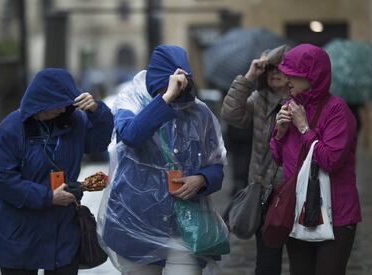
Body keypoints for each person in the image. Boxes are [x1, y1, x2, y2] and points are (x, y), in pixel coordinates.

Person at [98, 45, 227, 275]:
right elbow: (131, 136)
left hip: (183, 227)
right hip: (134, 223)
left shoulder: (199, 112)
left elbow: (216, 166)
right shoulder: (130, 102)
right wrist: (165, 98)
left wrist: (202, 179)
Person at [0, 68, 114, 275]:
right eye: (58, 105)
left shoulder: (75, 122)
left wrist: (97, 111)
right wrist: (47, 197)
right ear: (41, 102)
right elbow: (2, 180)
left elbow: (99, 143)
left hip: (62, 230)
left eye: (66, 104)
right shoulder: (10, 129)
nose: (63, 110)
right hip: (20, 232)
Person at [270, 44, 361, 275]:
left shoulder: (338, 110)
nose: (286, 78)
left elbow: (330, 160)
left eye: (293, 74)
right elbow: (280, 160)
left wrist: (303, 128)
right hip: (298, 209)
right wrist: (279, 134)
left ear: (312, 75)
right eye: (285, 72)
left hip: (336, 214)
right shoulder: (291, 105)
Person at [220, 45, 290, 275]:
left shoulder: (304, 101)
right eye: (270, 68)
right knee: (267, 262)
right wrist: (250, 75)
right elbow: (231, 114)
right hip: (266, 194)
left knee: (302, 261)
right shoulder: (259, 100)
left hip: (297, 191)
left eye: (281, 67)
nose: (275, 72)